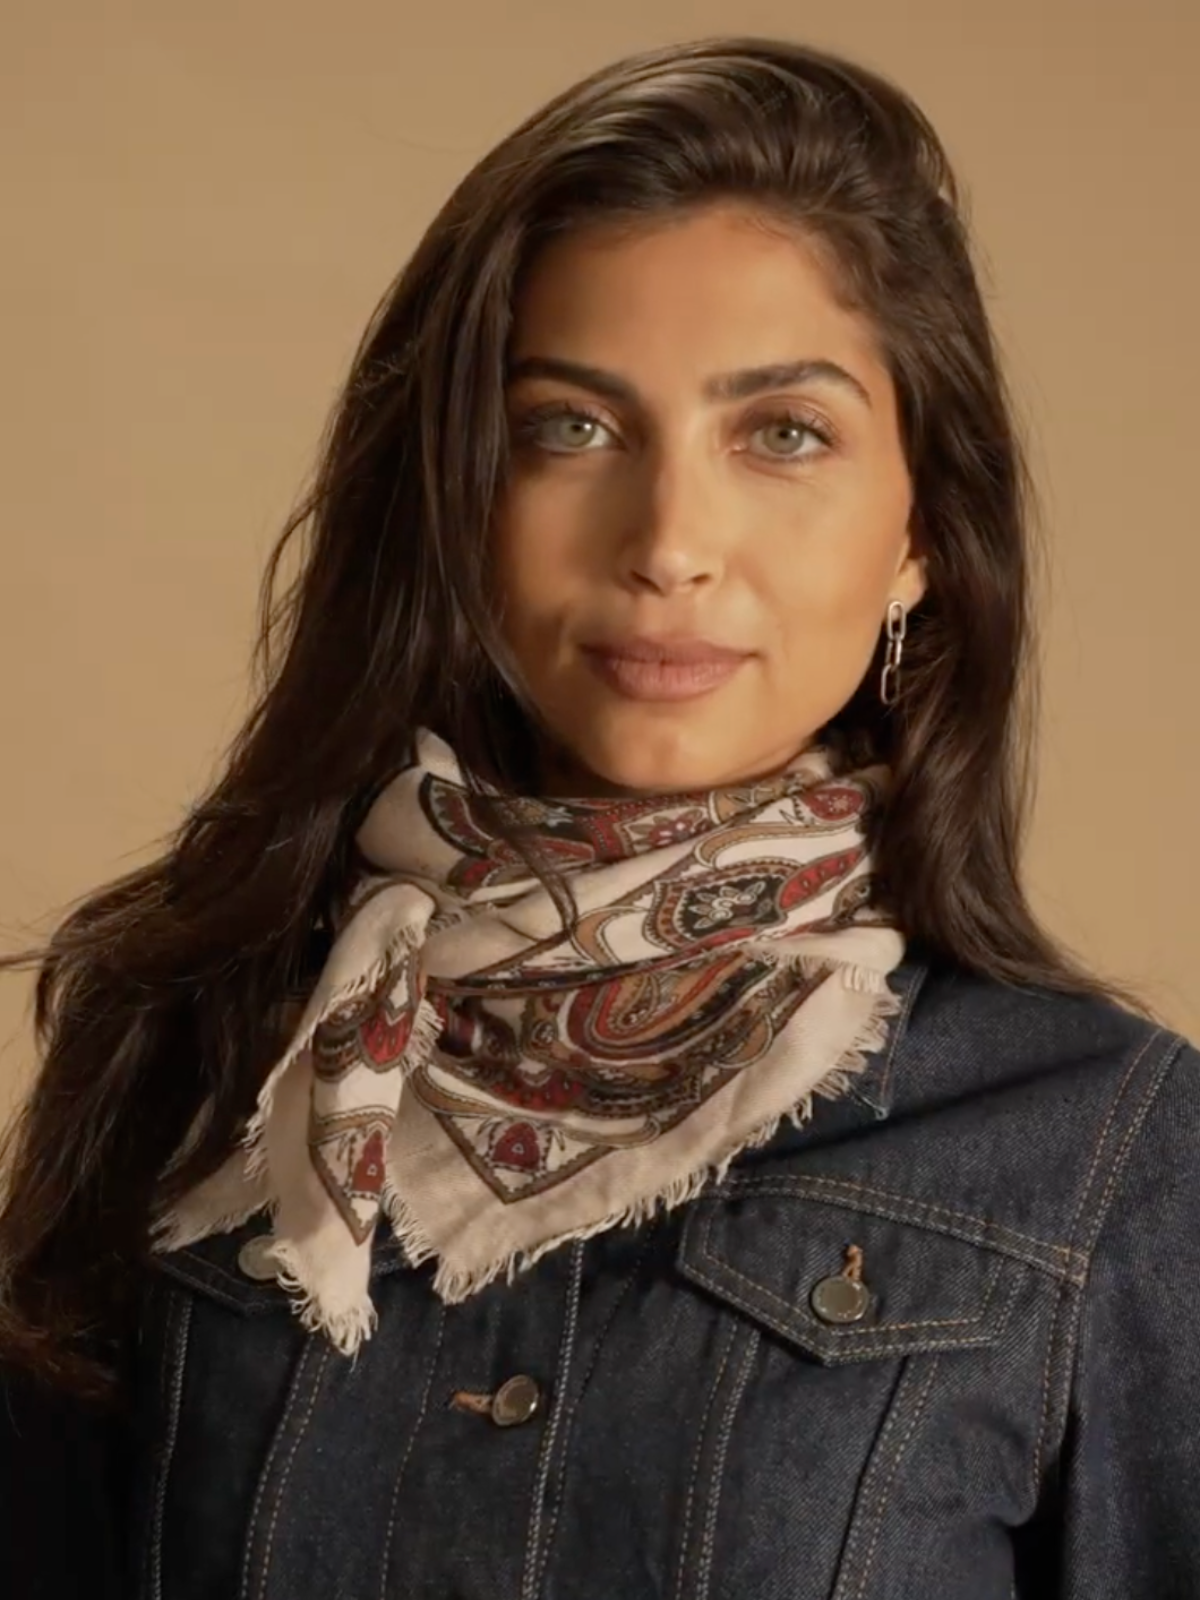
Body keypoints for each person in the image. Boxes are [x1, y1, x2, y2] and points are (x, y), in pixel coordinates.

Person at [2, 32, 1197, 1600]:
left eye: (784, 434)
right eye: (569, 428)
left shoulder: (1106, 1153)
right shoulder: (203, 1045)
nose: (670, 540)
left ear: (922, 533)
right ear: (459, 497)